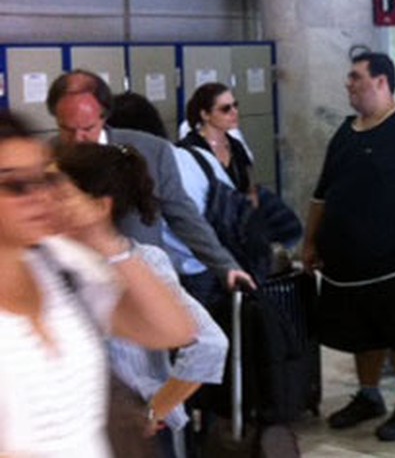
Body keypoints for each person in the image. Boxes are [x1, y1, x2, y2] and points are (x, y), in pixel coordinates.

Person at [0, 111, 196, 458]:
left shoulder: (58, 263)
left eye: (45, 179)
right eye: (16, 185)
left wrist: (101, 237)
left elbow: (172, 329)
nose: (38, 196)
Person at [302, 52, 395, 443]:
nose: (349, 84)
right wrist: (311, 241)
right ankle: (369, 396)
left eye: (356, 77)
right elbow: (322, 194)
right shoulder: (347, 132)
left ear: (382, 82)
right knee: (361, 332)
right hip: (349, 262)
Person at [55, 143, 228, 458]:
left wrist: (154, 411)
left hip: (127, 431)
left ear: (99, 207)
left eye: (61, 194)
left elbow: (210, 344)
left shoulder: (142, 265)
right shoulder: (52, 264)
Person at [47, 71, 254, 292]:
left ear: (104, 116)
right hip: (78, 287)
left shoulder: (150, 151)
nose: (78, 139)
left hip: (142, 284)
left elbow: (182, 214)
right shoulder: (46, 158)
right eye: (67, 129)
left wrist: (225, 266)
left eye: (87, 128)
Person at [108, 92, 236, 308]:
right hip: (216, 263)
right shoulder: (197, 155)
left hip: (183, 272)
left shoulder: (140, 171)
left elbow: (167, 222)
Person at [181, 83, 255, 199]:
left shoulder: (236, 146)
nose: (234, 112)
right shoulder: (188, 149)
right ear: (205, 115)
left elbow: (249, 189)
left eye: (235, 105)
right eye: (225, 109)